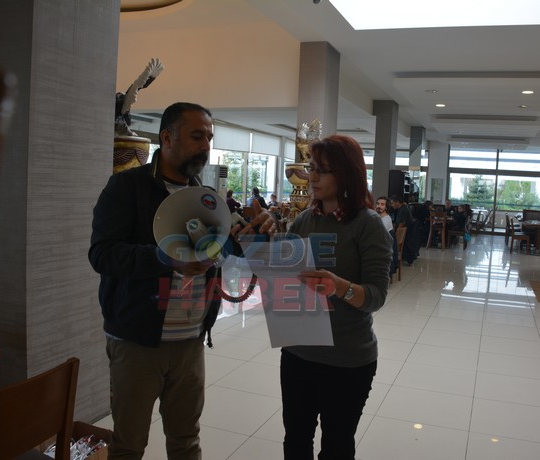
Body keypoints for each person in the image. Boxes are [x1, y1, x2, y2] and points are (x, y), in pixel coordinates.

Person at [89, 102, 275, 459]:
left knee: (186, 441)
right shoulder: (126, 188)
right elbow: (102, 255)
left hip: (190, 341)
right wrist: (165, 258)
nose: (205, 145)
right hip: (136, 342)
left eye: (209, 138)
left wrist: (260, 230)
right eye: (196, 136)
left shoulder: (206, 198)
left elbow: (231, 248)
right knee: (128, 445)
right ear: (166, 138)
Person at [283, 135, 392, 459]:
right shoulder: (304, 220)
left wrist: (339, 287)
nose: (312, 177)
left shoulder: (368, 224)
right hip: (298, 352)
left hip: (346, 360)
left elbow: (376, 296)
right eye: (311, 168)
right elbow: (285, 274)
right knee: (296, 441)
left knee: (337, 446)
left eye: (322, 170)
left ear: (346, 173)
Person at [376, 196, 397, 278]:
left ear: (386, 207)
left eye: (382, 204)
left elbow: (377, 236)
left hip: (383, 248)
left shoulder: (386, 220)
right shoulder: (378, 217)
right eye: (378, 204)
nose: (379, 206)